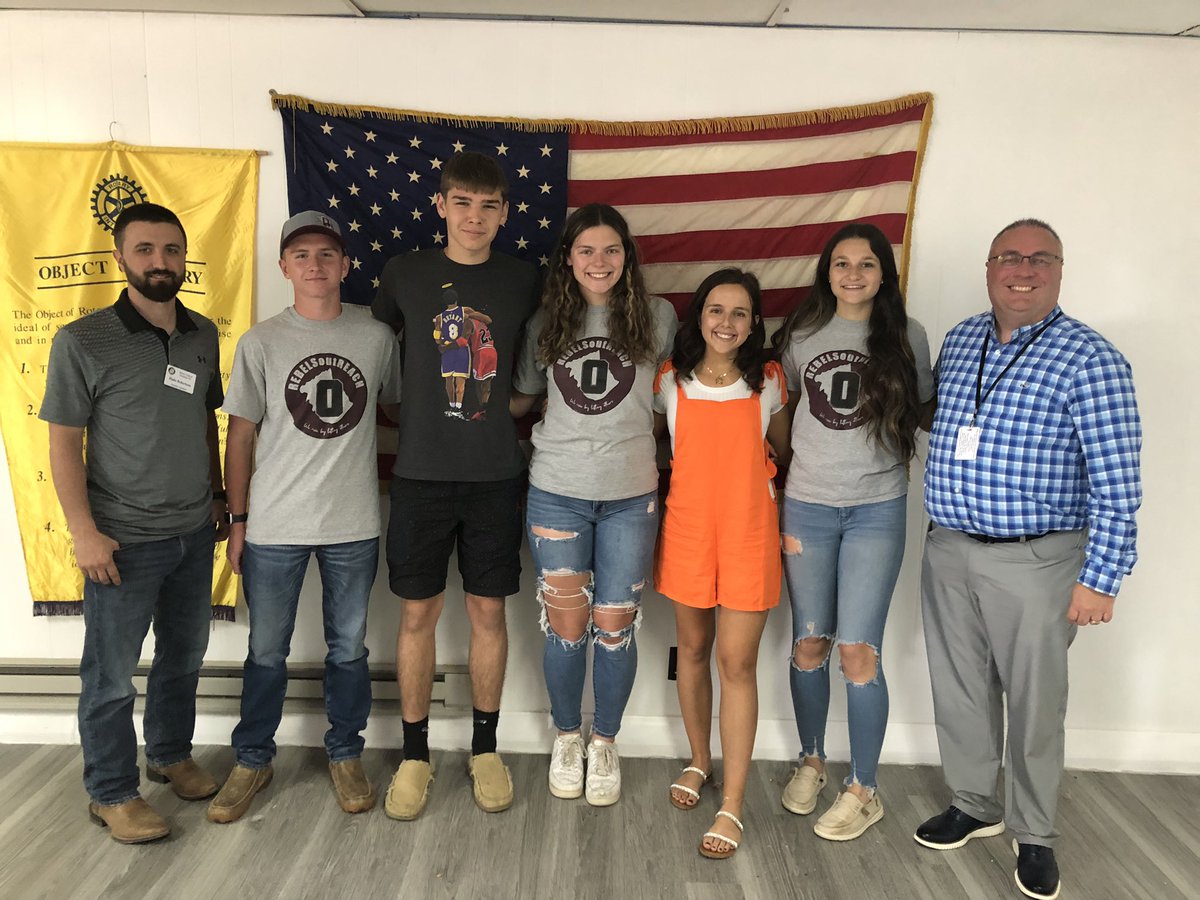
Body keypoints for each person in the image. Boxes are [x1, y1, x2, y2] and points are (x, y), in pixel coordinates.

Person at [916, 219, 1141, 900]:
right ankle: (974, 802)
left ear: (1060, 271)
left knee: (1036, 702)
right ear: (989, 268)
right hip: (949, 547)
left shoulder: (1090, 358)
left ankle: (1036, 833)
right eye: (1010, 257)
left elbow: (1119, 482)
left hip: (1039, 562)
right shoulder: (960, 341)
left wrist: (1100, 580)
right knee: (960, 687)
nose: (1023, 269)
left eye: (1040, 259)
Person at [40, 202, 227, 843]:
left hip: (193, 532)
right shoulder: (82, 340)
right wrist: (83, 531)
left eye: (171, 250)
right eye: (145, 250)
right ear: (121, 257)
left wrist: (218, 495)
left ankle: (170, 754)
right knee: (111, 673)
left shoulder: (202, 334)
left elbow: (205, 419)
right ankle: (112, 791)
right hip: (121, 540)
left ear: (184, 258)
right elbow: (63, 441)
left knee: (184, 657)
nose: (159, 262)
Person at [205, 211, 402, 824]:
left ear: (345, 266)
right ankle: (253, 757)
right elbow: (239, 438)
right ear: (285, 268)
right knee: (266, 650)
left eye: (326, 254)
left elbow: (403, 412)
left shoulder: (376, 338)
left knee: (349, 648)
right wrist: (237, 519)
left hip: (353, 521)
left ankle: (345, 753)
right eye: (301, 255)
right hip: (273, 525)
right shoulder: (261, 342)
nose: (314, 264)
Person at [372, 151, 538, 820]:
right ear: (439, 205)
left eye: (489, 205)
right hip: (418, 476)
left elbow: (535, 365)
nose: (475, 217)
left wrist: (510, 410)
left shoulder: (526, 279)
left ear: (505, 213)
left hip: (497, 477)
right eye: (462, 203)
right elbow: (375, 356)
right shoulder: (404, 273)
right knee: (416, 615)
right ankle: (415, 755)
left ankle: (485, 748)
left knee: (489, 613)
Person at [511, 203, 677, 808]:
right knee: (565, 626)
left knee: (615, 625)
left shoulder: (658, 317)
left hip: (632, 495)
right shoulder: (546, 320)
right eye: (586, 251)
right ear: (569, 259)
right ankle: (565, 736)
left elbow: (675, 403)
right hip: (557, 490)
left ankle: (605, 740)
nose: (599, 262)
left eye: (611, 250)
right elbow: (523, 402)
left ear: (626, 256)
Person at [773, 222, 933, 841]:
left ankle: (864, 788)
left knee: (858, 649)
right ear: (826, 271)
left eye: (867, 264)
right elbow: (781, 408)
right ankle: (812, 759)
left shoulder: (905, 334)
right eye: (842, 264)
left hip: (876, 509)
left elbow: (922, 409)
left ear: (883, 274)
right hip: (808, 507)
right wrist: (801, 468)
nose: (854, 275)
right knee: (809, 641)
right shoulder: (803, 332)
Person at [654, 269, 788, 859]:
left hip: (748, 534)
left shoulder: (771, 383)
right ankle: (698, 760)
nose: (726, 323)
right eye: (716, 310)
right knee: (693, 651)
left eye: (739, 313)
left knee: (737, 663)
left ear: (755, 322)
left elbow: (780, 450)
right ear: (698, 317)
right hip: (687, 531)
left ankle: (732, 801)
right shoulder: (669, 381)